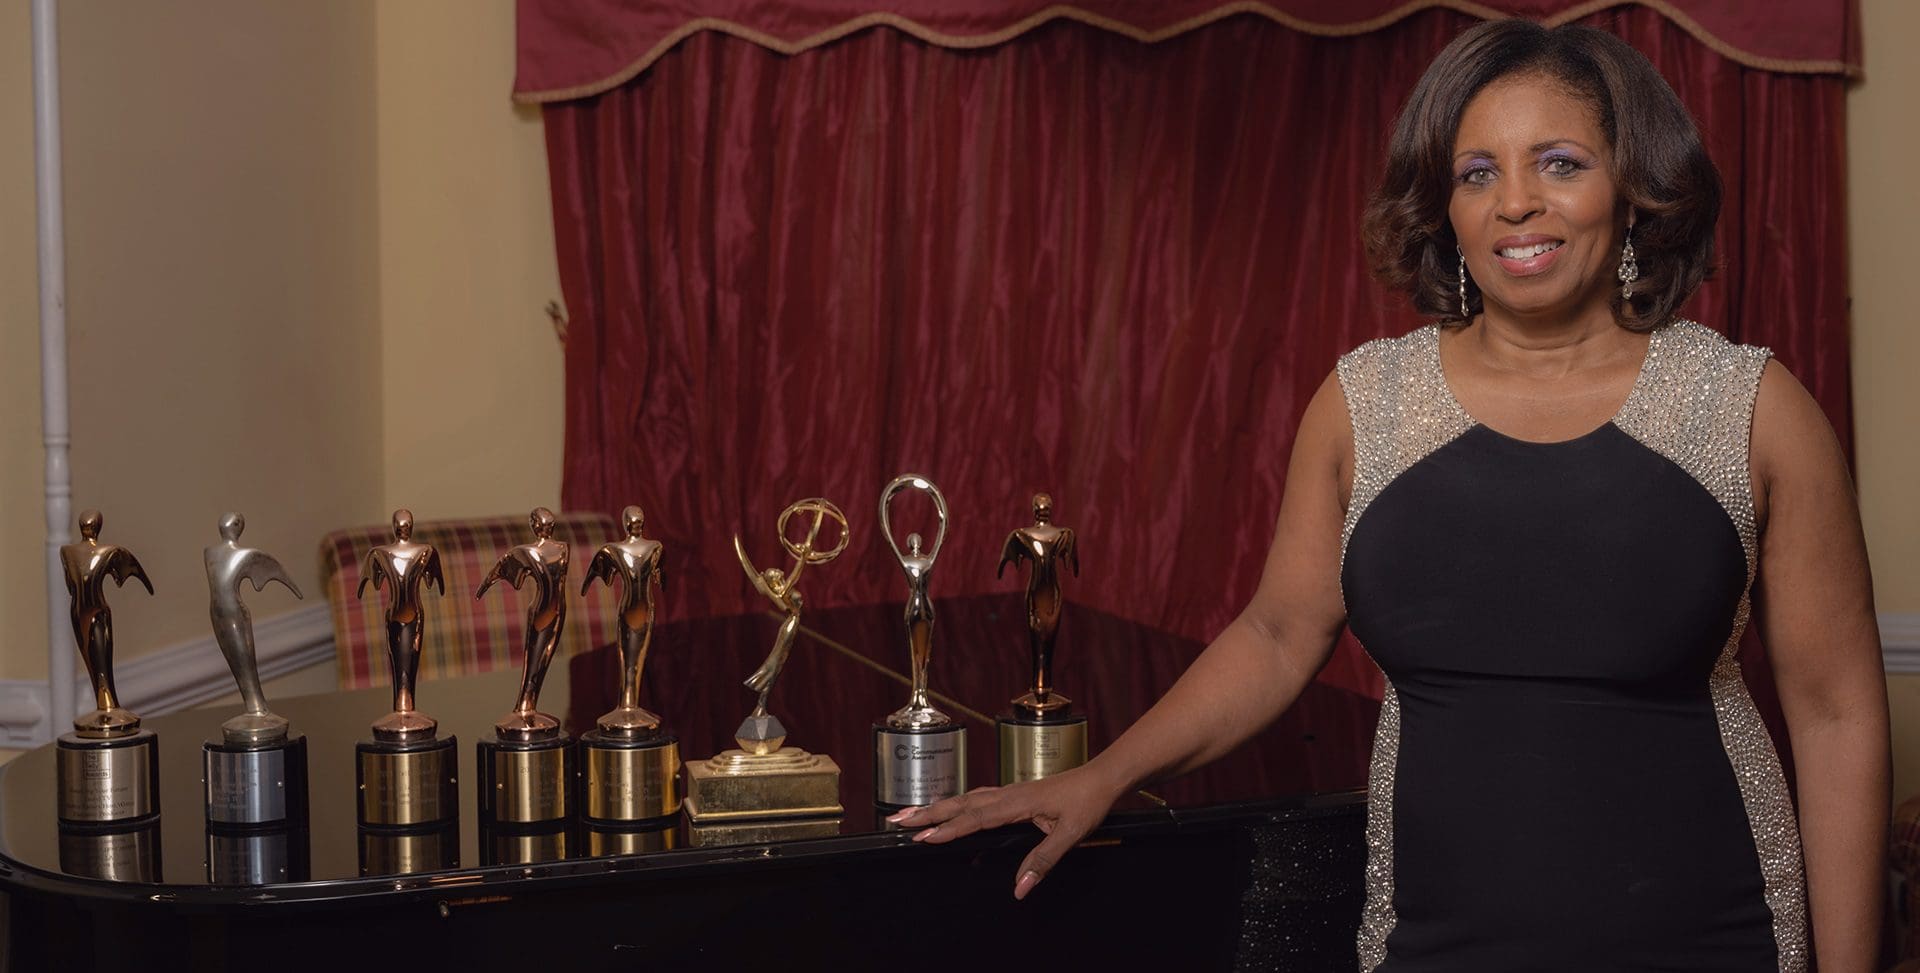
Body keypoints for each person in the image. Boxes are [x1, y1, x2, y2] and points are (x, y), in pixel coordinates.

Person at [892, 20, 1888, 971]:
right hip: (1433, 946)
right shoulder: (1365, 403)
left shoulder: (1751, 408)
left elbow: (1837, 712)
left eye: (1562, 163)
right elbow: (1279, 635)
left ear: (1634, 190)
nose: (1516, 204)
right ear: (1444, 209)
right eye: (1477, 172)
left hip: (1708, 941)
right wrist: (1100, 775)